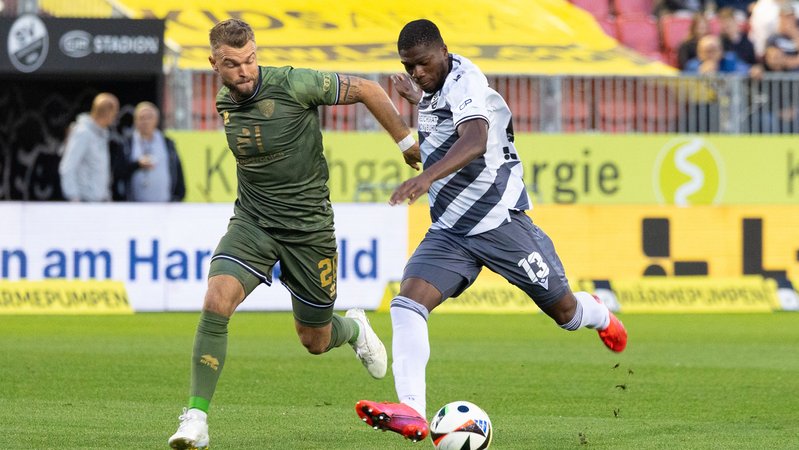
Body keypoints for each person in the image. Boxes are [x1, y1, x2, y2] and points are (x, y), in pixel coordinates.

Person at [354, 19, 628, 443]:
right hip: (450, 230)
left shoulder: (467, 81)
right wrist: (418, 98)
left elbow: (475, 139)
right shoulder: (433, 88)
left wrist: (425, 178)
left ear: (444, 50)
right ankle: (411, 409)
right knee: (406, 305)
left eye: (423, 65)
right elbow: (440, 117)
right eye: (409, 68)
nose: (417, 75)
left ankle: (598, 312)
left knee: (565, 314)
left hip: (500, 222)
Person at [167, 19, 422, 449]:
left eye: (250, 60)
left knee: (315, 340)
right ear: (214, 63)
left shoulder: (293, 83)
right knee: (216, 299)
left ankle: (355, 331)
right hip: (253, 223)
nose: (245, 71)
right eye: (232, 65)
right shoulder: (224, 101)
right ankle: (195, 418)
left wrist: (405, 142)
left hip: (309, 230)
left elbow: (367, 89)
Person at [111, 101, 185, 202]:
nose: (145, 121)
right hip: (134, 207)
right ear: (135, 121)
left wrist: (178, 197)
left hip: (165, 206)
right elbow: (117, 172)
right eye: (141, 118)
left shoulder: (167, 143)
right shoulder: (126, 144)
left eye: (149, 117)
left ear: (156, 120)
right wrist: (137, 165)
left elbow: (178, 170)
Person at [58, 92, 119, 202]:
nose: (116, 117)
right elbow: (68, 167)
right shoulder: (83, 133)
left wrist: (105, 195)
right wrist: (73, 197)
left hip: (98, 201)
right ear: (107, 112)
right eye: (115, 112)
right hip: (84, 201)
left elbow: (99, 168)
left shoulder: (102, 134)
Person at [683, 34, 752, 73]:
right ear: (699, 53)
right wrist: (700, 71)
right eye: (707, 51)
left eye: (713, 50)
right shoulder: (692, 65)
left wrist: (753, 71)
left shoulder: (729, 60)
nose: (710, 54)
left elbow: (745, 69)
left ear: (721, 51)